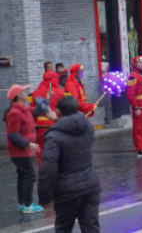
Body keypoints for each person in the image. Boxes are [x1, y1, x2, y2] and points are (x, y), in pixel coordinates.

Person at [38, 95, 100, 232]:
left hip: (67, 190)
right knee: (91, 227)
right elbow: (73, 124)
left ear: (58, 112)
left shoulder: (54, 137)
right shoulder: (88, 127)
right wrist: (58, 118)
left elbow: (47, 168)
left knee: (63, 228)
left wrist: (44, 196)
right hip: (91, 184)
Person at [6, 83, 44, 214]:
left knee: (23, 176)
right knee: (30, 176)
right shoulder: (15, 113)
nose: (27, 93)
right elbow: (12, 134)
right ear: (19, 96)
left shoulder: (25, 109)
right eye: (24, 92)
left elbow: (36, 112)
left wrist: (45, 101)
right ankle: (28, 205)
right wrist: (28, 144)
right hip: (19, 151)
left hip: (24, 150)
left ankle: (22, 203)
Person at [33, 71, 64, 159]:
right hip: (56, 124)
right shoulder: (61, 92)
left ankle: (41, 170)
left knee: (41, 150)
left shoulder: (35, 93)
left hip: (40, 126)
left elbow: (32, 111)